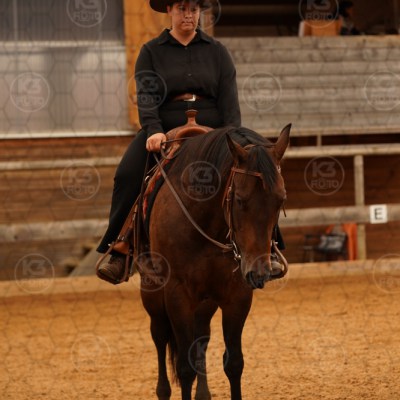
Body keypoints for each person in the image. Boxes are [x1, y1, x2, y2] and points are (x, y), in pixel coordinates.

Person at [96, 0, 285, 285]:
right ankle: (120, 248)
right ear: (169, 11)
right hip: (166, 122)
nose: (188, 15)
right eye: (182, 8)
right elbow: (146, 97)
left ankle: (270, 247)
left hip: (214, 125)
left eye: (194, 9)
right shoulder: (150, 51)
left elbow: (229, 100)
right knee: (126, 174)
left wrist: (230, 134)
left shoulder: (217, 51)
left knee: (261, 167)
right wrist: (153, 130)